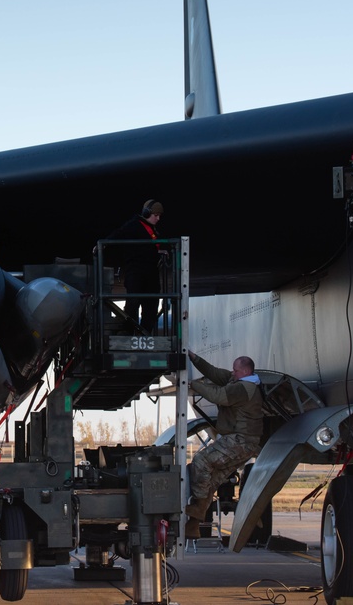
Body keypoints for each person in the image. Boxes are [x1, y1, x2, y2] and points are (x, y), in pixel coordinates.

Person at [183, 350, 264, 539]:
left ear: (245, 371)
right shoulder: (238, 381)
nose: (232, 373)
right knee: (211, 481)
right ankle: (193, 525)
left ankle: (196, 506)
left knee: (201, 460)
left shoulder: (244, 388)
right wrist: (195, 359)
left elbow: (217, 396)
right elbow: (215, 373)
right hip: (241, 442)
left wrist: (193, 384)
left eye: (235, 370)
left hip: (240, 440)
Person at [103, 199, 166, 333]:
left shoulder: (151, 229)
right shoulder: (134, 226)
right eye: (156, 215)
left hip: (151, 271)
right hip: (136, 271)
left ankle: (145, 333)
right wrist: (103, 244)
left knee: (151, 304)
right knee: (133, 302)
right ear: (147, 213)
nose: (158, 218)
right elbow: (119, 234)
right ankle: (129, 333)